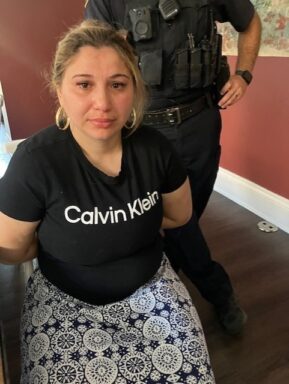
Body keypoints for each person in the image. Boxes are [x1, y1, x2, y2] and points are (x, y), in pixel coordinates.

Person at [0, 20, 216, 383]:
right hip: (64, 300)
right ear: (59, 90)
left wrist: (121, 226)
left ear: (134, 90)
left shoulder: (156, 150)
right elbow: (10, 249)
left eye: (117, 85)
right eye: (84, 84)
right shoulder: (35, 162)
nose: (102, 102)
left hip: (152, 289)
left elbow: (179, 215)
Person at [84, 0, 262, 334]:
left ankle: (160, 285)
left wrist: (244, 75)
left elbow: (250, 23)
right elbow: (94, 60)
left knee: (186, 217)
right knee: (165, 220)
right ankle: (217, 290)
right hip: (139, 130)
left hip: (199, 124)